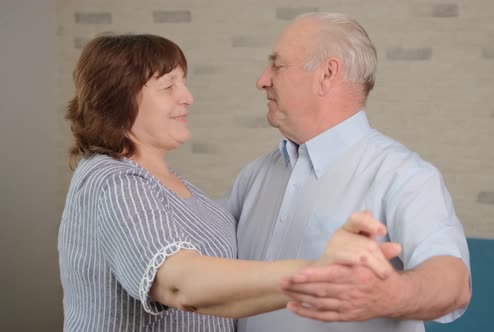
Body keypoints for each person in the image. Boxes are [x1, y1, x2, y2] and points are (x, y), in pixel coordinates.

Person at [58, 33, 399, 332]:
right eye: (168, 86)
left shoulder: (180, 187)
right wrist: (315, 272)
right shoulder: (111, 180)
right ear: (117, 100)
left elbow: (223, 298)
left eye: (184, 82)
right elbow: (182, 286)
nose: (188, 97)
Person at [219, 12, 472, 332]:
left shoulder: (404, 176)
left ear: (327, 74)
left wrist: (389, 295)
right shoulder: (253, 177)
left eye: (277, 65)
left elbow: (453, 283)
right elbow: (202, 260)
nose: (262, 79)